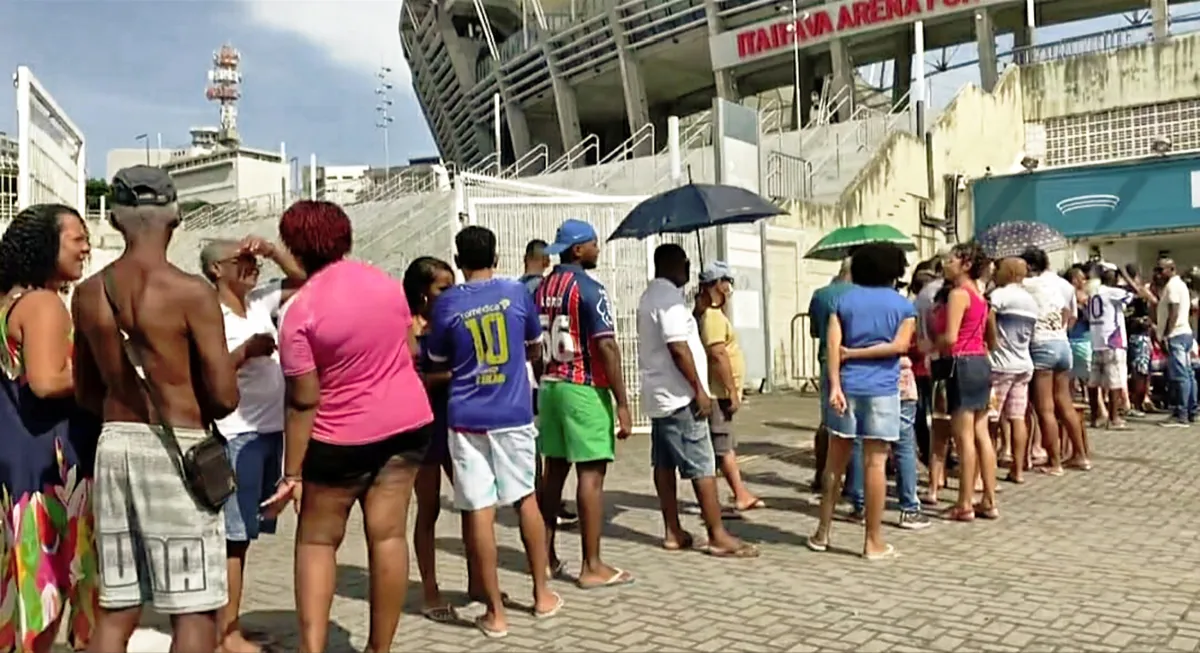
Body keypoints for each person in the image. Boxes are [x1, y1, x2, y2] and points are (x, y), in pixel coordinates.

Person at [73, 166, 240, 653]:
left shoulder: (87, 296)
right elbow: (226, 397)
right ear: (175, 218)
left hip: (115, 444)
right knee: (194, 611)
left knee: (119, 605)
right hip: (179, 451)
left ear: (118, 221)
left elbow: (86, 392)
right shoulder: (191, 293)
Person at [260, 200, 433, 653]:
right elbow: (410, 352)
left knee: (317, 540)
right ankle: (380, 649)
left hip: (339, 438)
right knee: (390, 534)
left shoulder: (300, 313)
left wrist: (292, 473)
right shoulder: (385, 284)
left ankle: (312, 649)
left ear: (294, 249)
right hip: (407, 424)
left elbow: (303, 400)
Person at [427, 226, 561, 638]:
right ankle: (541, 595)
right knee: (526, 501)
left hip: (467, 416)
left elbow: (435, 361)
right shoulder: (517, 293)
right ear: (497, 256)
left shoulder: (447, 304)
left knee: (478, 510)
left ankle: (496, 612)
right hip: (514, 413)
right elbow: (534, 346)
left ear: (458, 259)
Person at [0, 204, 99, 653]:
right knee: (51, 586)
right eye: (76, 237)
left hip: (15, 456)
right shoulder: (43, 304)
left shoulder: (8, 303)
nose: (86, 246)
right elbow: (46, 381)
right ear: (46, 245)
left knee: (18, 588)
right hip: (51, 466)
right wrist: (111, 374)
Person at [199, 236, 305, 653]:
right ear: (216, 271)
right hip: (236, 434)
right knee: (233, 540)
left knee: (244, 538)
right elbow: (209, 373)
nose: (250, 266)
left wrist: (274, 250)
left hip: (268, 432)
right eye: (240, 261)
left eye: (251, 260)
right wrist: (245, 351)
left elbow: (305, 281)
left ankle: (231, 624)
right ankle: (226, 636)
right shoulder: (211, 313)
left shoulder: (259, 303)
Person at [637, 244, 758, 557]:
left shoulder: (653, 295)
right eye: (685, 263)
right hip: (680, 397)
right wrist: (699, 391)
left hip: (661, 395)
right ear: (673, 264)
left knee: (663, 464)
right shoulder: (666, 299)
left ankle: (672, 530)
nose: (689, 268)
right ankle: (717, 534)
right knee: (702, 465)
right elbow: (679, 347)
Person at [534, 218, 634, 589]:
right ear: (578, 249)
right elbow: (606, 345)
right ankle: (591, 565)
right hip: (583, 388)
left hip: (550, 386)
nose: (598, 249)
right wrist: (622, 402)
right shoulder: (590, 289)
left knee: (553, 475)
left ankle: (544, 557)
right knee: (590, 477)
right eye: (593, 243)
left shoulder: (541, 288)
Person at [808, 242, 914, 559]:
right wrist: (862, 353)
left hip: (847, 387)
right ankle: (873, 540)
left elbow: (832, 347)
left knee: (835, 464)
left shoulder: (842, 300)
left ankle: (822, 532)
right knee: (875, 463)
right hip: (883, 389)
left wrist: (836, 385)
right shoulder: (903, 306)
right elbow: (900, 347)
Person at [403, 256, 468, 622]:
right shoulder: (407, 328)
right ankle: (429, 590)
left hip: (458, 422)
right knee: (429, 508)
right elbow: (415, 383)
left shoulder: (450, 322)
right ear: (422, 292)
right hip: (423, 429)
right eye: (443, 287)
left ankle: (478, 581)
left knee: (474, 503)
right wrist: (456, 372)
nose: (451, 292)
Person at [931, 241, 997, 521]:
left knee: (963, 436)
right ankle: (989, 499)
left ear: (966, 264)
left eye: (950, 260)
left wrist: (929, 344)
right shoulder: (981, 297)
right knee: (982, 434)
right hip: (981, 362)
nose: (946, 264)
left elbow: (950, 337)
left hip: (962, 363)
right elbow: (990, 337)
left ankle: (964, 502)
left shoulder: (958, 294)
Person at [517, 238, 578, 528]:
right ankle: (543, 503)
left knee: (533, 441)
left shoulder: (517, 289)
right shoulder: (544, 289)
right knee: (546, 444)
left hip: (521, 373)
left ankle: (539, 500)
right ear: (544, 261)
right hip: (542, 370)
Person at [695, 261, 763, 514]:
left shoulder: (714, 315)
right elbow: (717, 354)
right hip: (717, 393)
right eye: (728, 283)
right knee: (722, 447)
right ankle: (739, 493)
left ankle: (733, 494)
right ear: (718, 286)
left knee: (721, 445)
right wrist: (732, 390)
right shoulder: (712, 317)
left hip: (718, 392)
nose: (730, 289)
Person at [1021, 248, 1088, 474]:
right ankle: (1080, 455)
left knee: (1045, 408)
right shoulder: (1059, 285)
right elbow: (1069, 314)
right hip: (1062, 344)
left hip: (1041, 346)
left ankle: (1055, 461)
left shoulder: (1027, 286)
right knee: (1064, 401)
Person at [986, 258, 1038, 484]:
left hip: (1000, 365)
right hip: (1023, 363)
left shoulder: (999, 295)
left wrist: (992, 341)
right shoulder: (1030, 300)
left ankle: (985, 470)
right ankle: (1017, 469)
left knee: (990, 420)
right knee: (1017, 417)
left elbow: (987, 317)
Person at [806, 260, 852, 492]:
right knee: (854, 422)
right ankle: (853, 482)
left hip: (826, 357)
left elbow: (814, 330)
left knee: (826, 421)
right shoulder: (859, 295)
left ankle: (821, 474)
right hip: (853, 359)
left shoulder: (820, 295)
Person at [1087, 264, 1134, 431]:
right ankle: (1114, 418)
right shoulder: (1113, 292)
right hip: (1113, 340)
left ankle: (1095, 416)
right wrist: (1127, 277)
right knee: (1115, 380)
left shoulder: (1094, 292)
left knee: (1094, 381)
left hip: (1097, 340)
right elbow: (1135, 294)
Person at [1154, 257, 1196, 427]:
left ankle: (1181, 414)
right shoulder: (1178, 285)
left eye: (1161, 269)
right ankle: (1190, 410)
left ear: (1171, 269)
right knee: (1188, 374)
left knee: (1180, 376)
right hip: (1184, 333)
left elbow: (1174, 310)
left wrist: (1166, 334)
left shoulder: (1172, 286)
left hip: (1176, 335)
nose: (1158, 273)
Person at [1123, 264, 1155, 417]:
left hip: (1140, 336)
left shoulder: (1141, 291)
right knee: (1134, 371)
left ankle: (1139, 402)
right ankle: (1135, 402)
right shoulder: (1122, 293)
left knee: (1141, 371)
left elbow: (1152, 300)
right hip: (1129, 336)